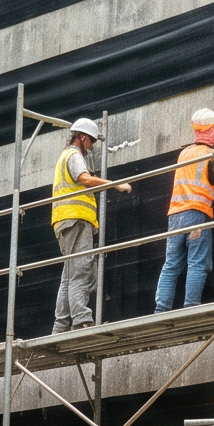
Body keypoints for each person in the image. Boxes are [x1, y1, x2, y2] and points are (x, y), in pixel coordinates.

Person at [50, 116, 129, 333]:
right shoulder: (74, 155)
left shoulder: (64, 156)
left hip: (64, 220)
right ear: (82, 137)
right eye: (91, 141)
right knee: (81, 271)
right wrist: (115, 184)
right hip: (76, 219)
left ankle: (60, 325)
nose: (92, 146)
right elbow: (85, 179)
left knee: (69, 274)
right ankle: (81, 319)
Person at [155, 108, 214, 311]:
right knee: (198, 262)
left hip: (175, 215)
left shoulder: (185, 153)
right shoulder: (211, 154)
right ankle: (191, 306)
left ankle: (161, 308)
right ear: (213, 129)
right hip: (197, 213)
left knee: (172, 264)